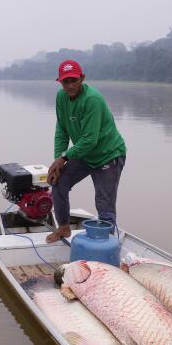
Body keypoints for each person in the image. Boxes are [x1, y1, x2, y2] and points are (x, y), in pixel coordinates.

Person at [45, 59, 127, 243]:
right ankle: (64, 227)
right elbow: (61, 130)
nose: (70, 85)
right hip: (84, 154)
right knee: (58, 182)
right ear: (60, 82)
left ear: (82, 78)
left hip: (108, 155)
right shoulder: (61, 98)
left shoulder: (92, 99)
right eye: (66, 81)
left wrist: (65, 157)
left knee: (104, 204)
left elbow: (90, 140)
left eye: (74, 80)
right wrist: (59, 159)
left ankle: (108, 244)